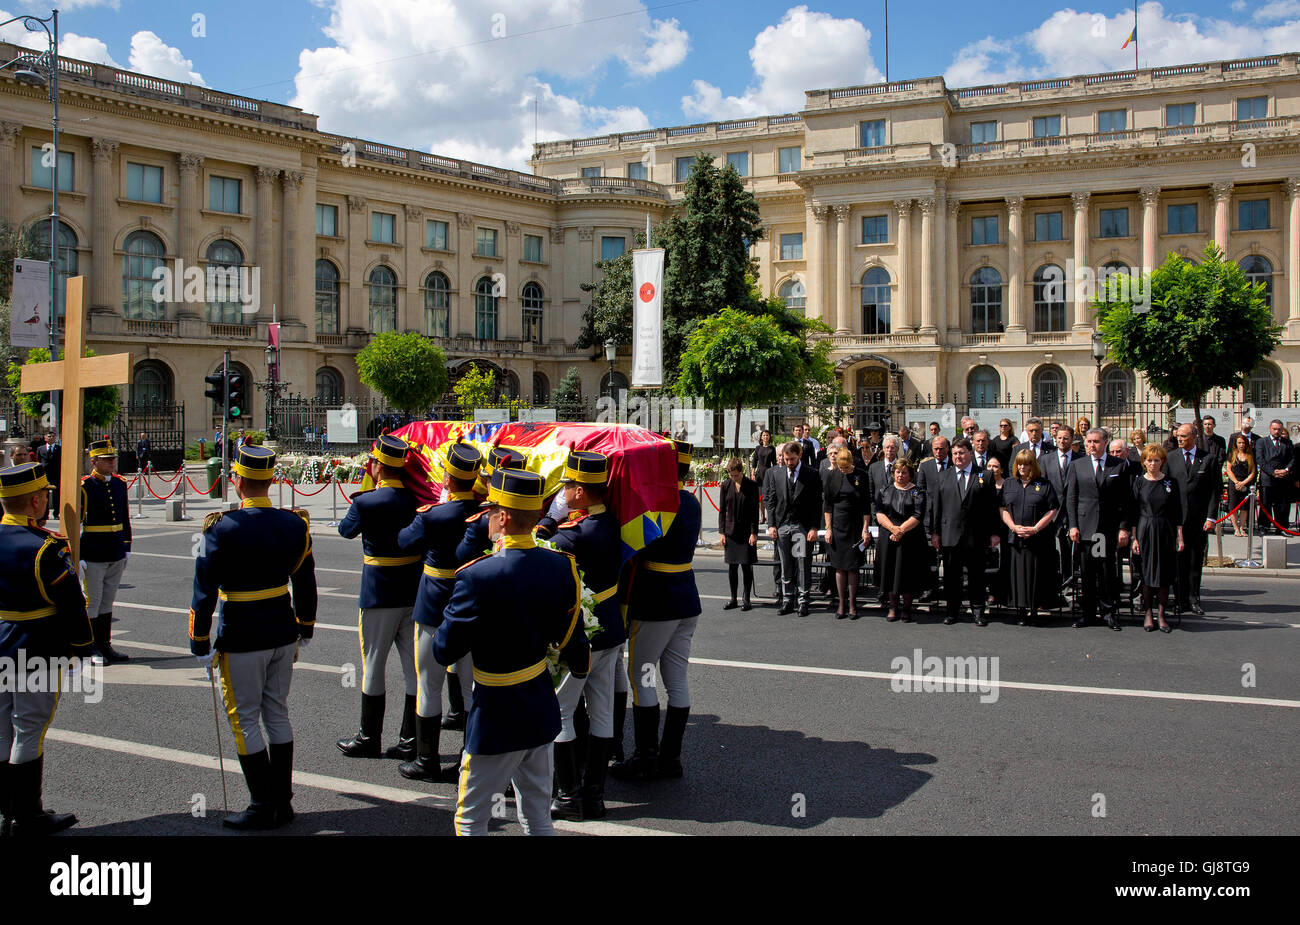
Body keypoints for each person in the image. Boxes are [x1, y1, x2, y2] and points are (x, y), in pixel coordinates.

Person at [434, 468, 590, 835]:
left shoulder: (476, 576)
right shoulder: (560, 566)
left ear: (503, 517)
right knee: (537, 816)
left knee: (470, 818)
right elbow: (571, 642)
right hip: (538, 703)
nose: (486, 518)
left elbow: (444, 649)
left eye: (490, 511)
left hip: (495, 709)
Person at [189, 444, 317, 828]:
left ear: (238, 482)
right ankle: (283, 801)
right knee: (276, 712)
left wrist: (199, 639)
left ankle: (262, 805)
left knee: (244, 718)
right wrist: (305, 626)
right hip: (283, 629)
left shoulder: (221, 528)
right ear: (271, 480)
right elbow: (305, 582)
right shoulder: (294, 524)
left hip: (243, 632)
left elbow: (204, 588)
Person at [0, 461, 94, 835]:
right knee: (28, 729)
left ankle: (7, 813)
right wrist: (82, 649)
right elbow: (72, 606)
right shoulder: (46, 549)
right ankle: (27, 815)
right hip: (36, 647)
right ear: (37, 501)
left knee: (2, 731)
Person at [392, 442, 483, 783]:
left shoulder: (435, 515)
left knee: (429, 684)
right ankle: (469, 761)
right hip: (471, 605)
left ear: (447, 477)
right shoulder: (486, 514)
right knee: (473, 688)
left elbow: (403, 542)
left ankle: (426, 759)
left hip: (433, 604)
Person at [611, 440, 701, 781]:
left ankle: (645, 756)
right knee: (676, 679)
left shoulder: (660, 505)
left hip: (657, 601)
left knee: (642, 675)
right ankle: (670, 758)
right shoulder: (691, 502)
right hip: (686, 598)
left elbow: (628, 542)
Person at [544, 451, 625, 821]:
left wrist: (549, 519)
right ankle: (595, 796)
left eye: (568, 487)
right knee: (602, 711)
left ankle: (568, 795)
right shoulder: (610, 521)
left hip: (583, 634)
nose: (564, 492)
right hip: (611, 628)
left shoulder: (572, 536)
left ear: (580, 491)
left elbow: (539, 549)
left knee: (562, 711)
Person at [335, 434, 421, 760]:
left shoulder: (366, 502)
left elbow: (345, 530)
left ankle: (369, 737)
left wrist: (364, 491)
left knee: (373, 666)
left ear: (376, 466)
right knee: (413, 670)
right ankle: (410, 739)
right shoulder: (415, 500)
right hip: (411, 592)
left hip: (378, 594)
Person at [927, 437, 1001, 626]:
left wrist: (994, 532)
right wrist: (935, 532)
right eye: (955, 453)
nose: (958, 456)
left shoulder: (985, 475)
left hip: (976, 535)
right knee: (952, 576)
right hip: (950, 534)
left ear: (970, 453)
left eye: (961, 453)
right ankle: (952, 611)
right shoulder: (943, 476)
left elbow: (992, 507)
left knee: (977, 576)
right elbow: (936, 506)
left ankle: (977, 610)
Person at [1067, 428, 1133, 631]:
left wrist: (1124, 528)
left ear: (1105, 443)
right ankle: (1087, 613)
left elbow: (1126, 500)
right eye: (1088, 442)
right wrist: (1073, 525)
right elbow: (1072, 497)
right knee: (1087, 573)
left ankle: (1108, 612)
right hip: (1085, 528)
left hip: (1106, 529)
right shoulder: (1078, 465)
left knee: (1106, 573)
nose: (1091, 445)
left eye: (1095, 441)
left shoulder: (1119, 465)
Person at [79, 439, 132, 665]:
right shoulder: (84, 486)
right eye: (106, 459)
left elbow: (125, 517)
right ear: (94, 461)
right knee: (93, 601)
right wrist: (79, 555)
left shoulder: (120, 484)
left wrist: (127, 546)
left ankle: (105, 645)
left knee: (108, 601)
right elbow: (75, 522)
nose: (111, 462)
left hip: (115, 549)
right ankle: (90, 647)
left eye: (113, 459)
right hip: (93, 550)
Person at [1166, 423, 1222, 615]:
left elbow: (1216, 490)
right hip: (1176, 520)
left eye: (1183, 436)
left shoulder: (1208, 459)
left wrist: (1211, 517)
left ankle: (1193, 598)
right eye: (1178, 436)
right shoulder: (1171, 458)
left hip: (1198, 520)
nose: (1179, 439)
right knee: (1178, 560)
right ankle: (1180, 600)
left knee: (1195, 560)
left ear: (1194, 437)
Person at [1000, 449, 1059, 627]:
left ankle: (1034, 609)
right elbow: (1002, 508)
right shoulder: (1009, 484)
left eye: (1026, 463)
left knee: (1035, 574)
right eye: (1019, 463)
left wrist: (1035, 529)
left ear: (1033, 465)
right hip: (1015, 538)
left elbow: (1052, 509)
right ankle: (1020, 609)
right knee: (1016, 574)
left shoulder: (1044, 484)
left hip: (1036, 539)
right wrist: (1012, 526)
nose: (1022, 467)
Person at [764, 440, 822, 616]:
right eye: (786, 459)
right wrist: (771, 524)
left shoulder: (811, 474)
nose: (789, 462)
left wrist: (813, 527)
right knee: (785, 564)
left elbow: (816, 504)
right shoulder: (778, 474)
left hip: (801, 527)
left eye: (792, 459)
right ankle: (787, 599)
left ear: (800, 456)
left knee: (802, 563)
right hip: (782, 525)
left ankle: (803, 599)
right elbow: (771, 501)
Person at [1131, 444, 1183, 633]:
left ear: (1162, 462)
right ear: (1144, 462)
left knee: (1163, 575)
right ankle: (1148, 613)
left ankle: (1161, 614)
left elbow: (1177, 511)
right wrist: (1134, 538)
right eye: (1149, 460)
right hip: (1145, 529)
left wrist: (1180, 536)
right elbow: (1133, 511)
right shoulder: (1138, 482)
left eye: (1156, 460)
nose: (1152, 463)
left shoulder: (1171, 482)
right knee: (1146, 573)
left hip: (1165, 530)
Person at [875, 459, 927, 622]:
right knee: (890, 571)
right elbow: (879, 512)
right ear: (893, 473)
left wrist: (901, 530)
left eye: (904, 472)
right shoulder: (885, 490)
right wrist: (893, 529)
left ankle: (906, 608)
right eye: (898, 472)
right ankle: (892, 607)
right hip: (889, 536)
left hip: (910, 538)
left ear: (910, 474)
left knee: (907, 573)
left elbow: (918, 515)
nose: (900, 475)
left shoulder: (917, 492)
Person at [822, 448, 868, 619]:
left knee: (853, 566)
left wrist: (865, 529)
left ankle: (852, 605)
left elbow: (865, 505)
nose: (843, 471)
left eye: (846, 468)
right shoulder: (832, 476)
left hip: (855, 526)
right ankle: (841, 604)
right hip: (837, 525)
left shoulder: (861, 475)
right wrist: (828, 528)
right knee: (840, 566)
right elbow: (827, 505)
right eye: (841, 468)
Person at [1041, 425, 1081, 603]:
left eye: (1066, 438)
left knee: (1071, 553)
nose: (1062, 441)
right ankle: (1053, 586)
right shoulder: (1045, 460)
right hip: (1052, 512)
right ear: (1055, 439)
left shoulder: (1081, 459)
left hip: (1073, 512)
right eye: (1060, 438)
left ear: (1072, 440)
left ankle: (1069, 586)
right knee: (1052, 552)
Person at [719, 457, 760, 611]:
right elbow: (722, 511)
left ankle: (746, 599)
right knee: (732, 567)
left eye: (736, 475)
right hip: (731, 532)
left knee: (746, 566)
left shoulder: (751, 485)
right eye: (731, 475)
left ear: (741, 472)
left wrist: (753, 532)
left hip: (746, 532)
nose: (733, 477)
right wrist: (722, 532)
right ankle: (733, 598)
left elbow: (754, 511)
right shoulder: (725, 485)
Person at [914, 435, 950, 604]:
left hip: (949, 519)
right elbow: (918, 491)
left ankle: (950, 590)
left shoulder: (953, 465)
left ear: (947, 449)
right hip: (929, 518)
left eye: (941, 449)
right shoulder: (926, 466)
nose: (938, 452)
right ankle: (930, 588)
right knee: (929, 558)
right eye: (935, 449)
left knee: (949, 557)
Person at [1255, 419, 1294, 535]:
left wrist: (1286, 470)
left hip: (1283, 479)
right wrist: (1272, 472)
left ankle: (1281, 528)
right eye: (1274, 429)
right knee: (1265, 504)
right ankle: (1264, 527)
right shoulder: (1262, 442)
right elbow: (1260, 459)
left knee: (1282, 506)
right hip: (1267, 479)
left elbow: (1292, 458)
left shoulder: (1287, 443)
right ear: (1270, 429)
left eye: (1279, 429)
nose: (1277, 431)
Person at [984, 456, 1010, 610]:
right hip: (986, 527)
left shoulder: (1008, 485)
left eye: (995, 466)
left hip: (1003, 527)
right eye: (989, 466)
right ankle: (989, 592)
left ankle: (1000, 592)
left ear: (1001, 469)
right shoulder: (981, 483)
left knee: (1003, 563)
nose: (992, 469)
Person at [1227, 434, 1257, 536]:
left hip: (1246, 483)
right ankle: (1236, 529)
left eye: (1243, 443)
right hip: (1234, 483)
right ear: (1236, 443)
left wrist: (1244, 482)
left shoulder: (1250, 455)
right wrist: (1236, 482)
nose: (1241, 445)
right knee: (1233, 506)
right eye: (1239, 442)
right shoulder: (1232, 454)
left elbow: (1253, 472)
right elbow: (1228, 469)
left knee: (1244, 507)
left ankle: (1242, 527)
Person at [750, 430, 777, 526]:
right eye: (764, 435)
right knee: (760, 497)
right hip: (759, 474)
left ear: (769, 437)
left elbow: (774, 462)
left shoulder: (772, 448)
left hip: (769, 472)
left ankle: (769, 515)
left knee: (769, 495)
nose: (765, 437)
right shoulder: (758, 448)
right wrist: (753, 473)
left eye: (767, 435)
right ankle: (762, 516)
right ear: (761, 437)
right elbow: (754, 461)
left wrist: (775, 473)